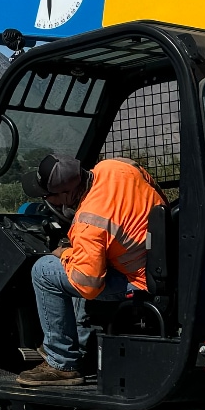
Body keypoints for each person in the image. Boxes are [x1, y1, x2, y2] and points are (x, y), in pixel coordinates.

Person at [17, 153, 165, 388]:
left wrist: (65, 253)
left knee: (44, 271)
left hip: (137, 280)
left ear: (66, 194)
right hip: (155, 259)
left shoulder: (89, 221)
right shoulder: (116, 166)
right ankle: (81, 350)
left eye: (48, 196)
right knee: (87, 263)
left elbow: (87, 286)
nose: (48, 201)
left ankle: (61, 363)